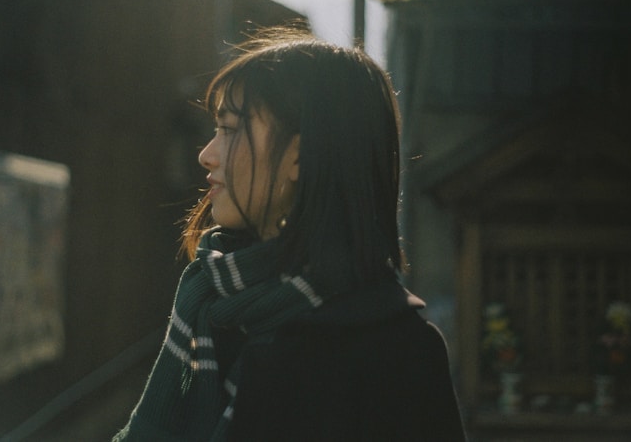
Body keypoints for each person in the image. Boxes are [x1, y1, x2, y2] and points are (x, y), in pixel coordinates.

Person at [115, 26, 466, 441]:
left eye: (229, 129)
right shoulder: (213, 305)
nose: (206, 154)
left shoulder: (397, 351)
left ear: (299, 156)